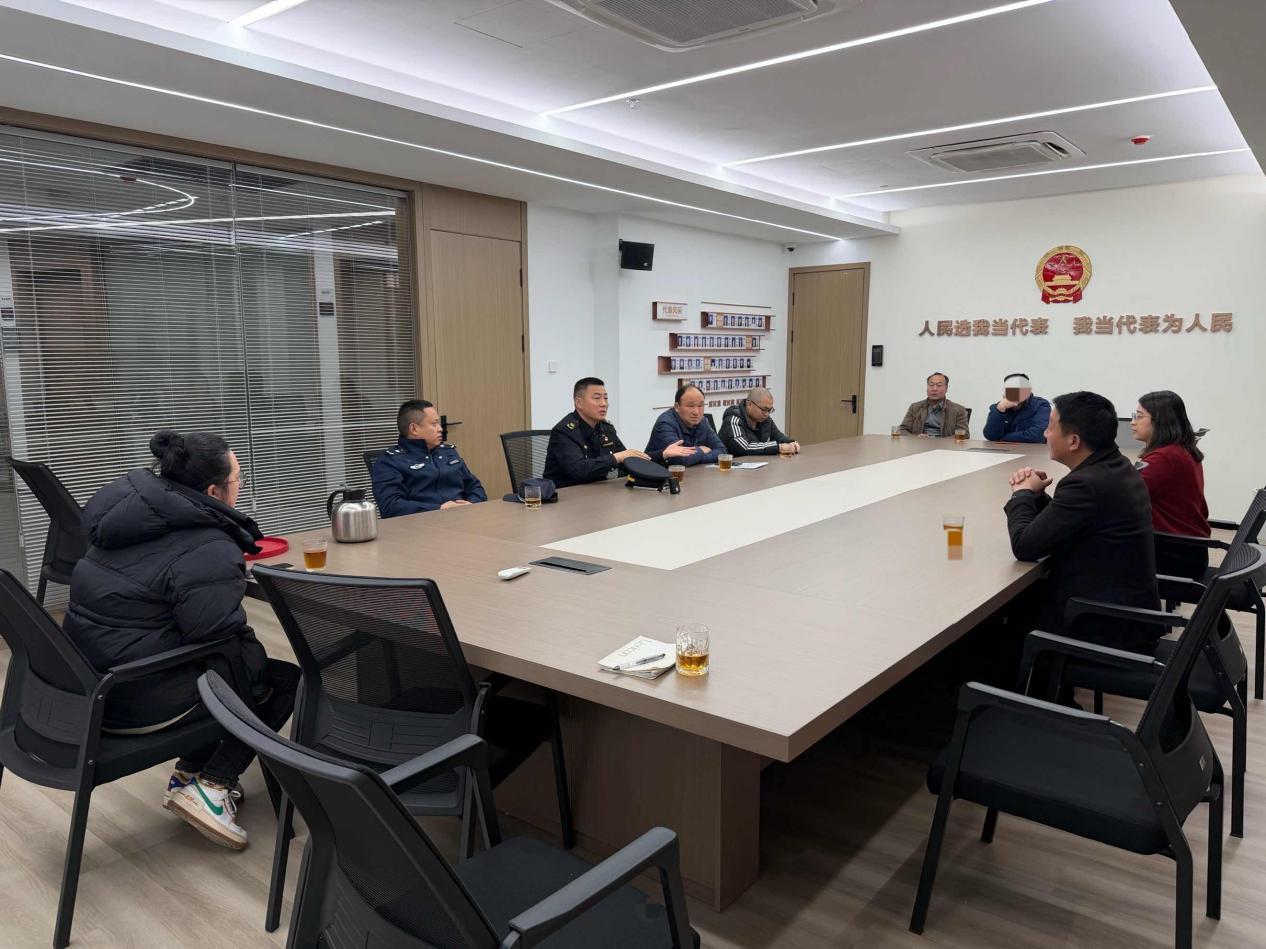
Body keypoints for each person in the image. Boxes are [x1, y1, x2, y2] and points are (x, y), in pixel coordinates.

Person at [63, 430, 299, 850]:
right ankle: (212, 786)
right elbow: (216, 634)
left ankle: (189, 771)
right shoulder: (207, 544)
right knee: (277, 681)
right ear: (213, 491)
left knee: (224, 666)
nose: (241, 486)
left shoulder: (126, 522)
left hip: (96, 687)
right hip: (138, 700)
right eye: (238, 479)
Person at [1004, 391, 1160, 648]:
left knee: (994, 624)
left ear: (1073, 441)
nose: (1045, 433)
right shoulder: (1117, 466)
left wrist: (1022, 494)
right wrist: (1038, 496)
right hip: (1127, 612)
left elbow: (1024, 546)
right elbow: (1074, 521)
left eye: (1050, 427)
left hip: (1101, 625)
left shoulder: (1085, 484)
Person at [544, 377, 693, 488]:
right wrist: (617, 457)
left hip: (597, 495)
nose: (604, 403)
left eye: (606, 398)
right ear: (579, 403)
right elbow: (579, 471)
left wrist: (663, 454)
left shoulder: (605, 428)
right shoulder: (564, 432)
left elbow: (628, 461)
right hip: (566, 497)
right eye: (596, 398)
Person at [1131, 390, 1210, 580]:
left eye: (1139, 416)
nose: (1132, 422)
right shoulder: (1180, 450)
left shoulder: (1165, 458)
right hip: (1188, 550)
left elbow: (1124, 497)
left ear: (1160, 420)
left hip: (1173, 556)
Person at [372, 400, 486, 516]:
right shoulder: (389, 462)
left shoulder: (448, 453)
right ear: (414, 429)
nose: (440, 429)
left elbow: (475, 486)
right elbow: (390, 506)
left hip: (462, 517)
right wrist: (438, 509)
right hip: (421, 523)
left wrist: (471, 503)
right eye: (434, 424)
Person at [645, 384, 727, 466]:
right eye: (690, 406)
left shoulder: (702, 421)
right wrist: (701, 450)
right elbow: (680, 459)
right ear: (677, 407)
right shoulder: (665, 423)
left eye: (700, 405)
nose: (696, 412)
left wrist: (695, 458)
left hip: (694, 472)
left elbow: (722, 451)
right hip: (659, 472)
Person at [720, 387, 800, 457]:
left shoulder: (765, 419)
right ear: (749, 404)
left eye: (769, 410)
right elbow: (744, 447)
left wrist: (791, 443)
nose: (766, 414)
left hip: (757, 465)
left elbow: (778, 436)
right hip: (731, 467)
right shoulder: (733, 419)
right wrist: (779, 447)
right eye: (764, 409)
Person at [983, 372, 1051, 443]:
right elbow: (990, 436)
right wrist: (1000, 409)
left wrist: (1003, 438)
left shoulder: (1041, 405)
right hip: (1004, 449)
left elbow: (1037, 435)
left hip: (1032, 449)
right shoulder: (999, 407)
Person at [898, 371, 970, 437]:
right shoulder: (915, 407)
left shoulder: (958, 410)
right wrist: (916, 438)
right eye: (931, 385)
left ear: (946, 388)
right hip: (920, 444)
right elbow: (902, 430)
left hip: (944, 445)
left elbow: (965, 434)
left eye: (939, 385)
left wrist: (942, 442)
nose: (934, 389)